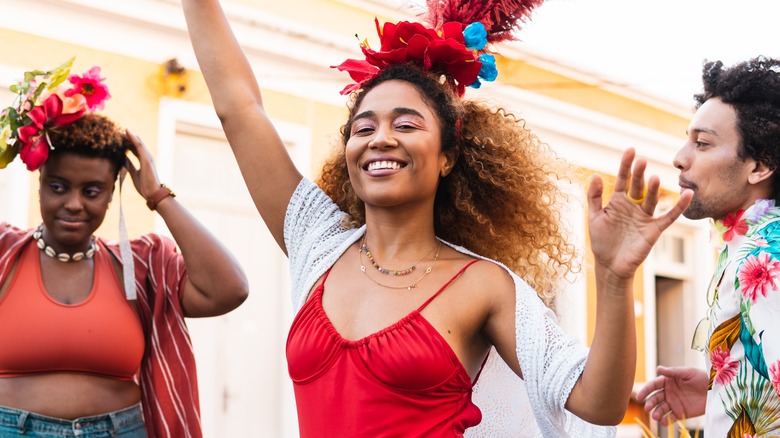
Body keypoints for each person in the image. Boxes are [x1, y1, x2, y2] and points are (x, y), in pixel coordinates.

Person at [181, 0, 691, 436]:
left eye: (406, 123)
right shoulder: (319, 243)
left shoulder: (484, 286)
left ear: (448, 157)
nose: (381, 138)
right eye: (363, 128)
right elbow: (239, 108)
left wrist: (614, 278)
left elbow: (595, 402)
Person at [0, 60, 249, 437]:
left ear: (115, 189)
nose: (73, 203)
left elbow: (229, 289)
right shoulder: (4, 252)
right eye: (58, 186)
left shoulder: (142, 266)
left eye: (92, 191)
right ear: (40, 182)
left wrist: (158, 195)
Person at [636, 56, 780, 436]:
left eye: (702, 143)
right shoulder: (748, 242)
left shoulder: (766, 255)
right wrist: (723, 388)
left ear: (760, 166)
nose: (680, 158)